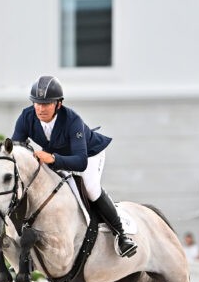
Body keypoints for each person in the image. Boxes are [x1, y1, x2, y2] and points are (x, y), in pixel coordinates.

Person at [11, 75, 137, 257]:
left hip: (88, 154)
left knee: (91, 189)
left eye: (46, 104)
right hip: (57, 154)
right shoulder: (26, 117)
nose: (40, 108)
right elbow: (16, 149)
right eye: (37, 103)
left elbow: (80, 162)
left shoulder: (72, 120)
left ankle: (121, 235)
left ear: (58, 104)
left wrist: (52, 158)